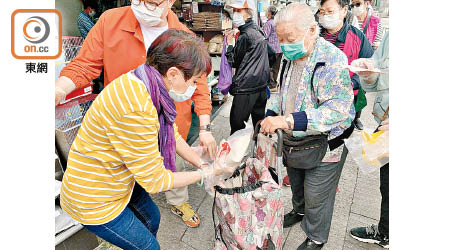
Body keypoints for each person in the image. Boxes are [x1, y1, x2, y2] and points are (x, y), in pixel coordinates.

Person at [59, 30, 237, 250]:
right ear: (172, 74)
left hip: (119, 178)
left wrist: (200, 162)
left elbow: (171, 132)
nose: (192, 88)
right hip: (94, 197)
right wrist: (206, 174)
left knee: (152, 218)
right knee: (149, 247)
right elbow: (156, 181)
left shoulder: (145, 81)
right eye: (192, 81)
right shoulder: (137, 107)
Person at [261, 3, 354, 249]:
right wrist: (271, 113)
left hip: (325, 142)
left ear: (312, 30)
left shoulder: (332, 59)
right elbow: (281, 90)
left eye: (289, 38)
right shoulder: (289, 58)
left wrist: (288, 120)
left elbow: (337, 110)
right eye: (280, 39)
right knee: (297, 183)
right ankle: (299, 212)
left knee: (317, 195)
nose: (284, 45)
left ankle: (316, 237)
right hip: (294, 141)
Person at [349, 31, 389, 248]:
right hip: (386, 124)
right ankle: (386, 229)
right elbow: (376, 81)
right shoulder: (392, 36)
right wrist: (368, 73)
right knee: (388, 184)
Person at [318, 0, 373, 131]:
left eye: (330, 12)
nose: (325, 16)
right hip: (317, 98)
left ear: (344, 11)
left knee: (341, 131)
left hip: (346, 98)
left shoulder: (358, 38)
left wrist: (351, 83)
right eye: (322, 12)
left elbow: (369, 70)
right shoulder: (314, 36)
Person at [225, 0, 270, 135]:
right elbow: (271, 54)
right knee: (259, 125)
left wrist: (229, 45)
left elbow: (234, 61)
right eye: (234, 11)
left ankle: (235, 155)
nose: (235, 14)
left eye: (239, 11)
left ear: (248, 13)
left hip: (245, 87)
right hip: (261, 86)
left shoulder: (245, 35)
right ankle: (259, 152)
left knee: (237, 127)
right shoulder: (258, 30)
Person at [263, 5, 283, 91]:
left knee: (269, 67)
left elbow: (264, 36)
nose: (266, 13)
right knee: (276, 67)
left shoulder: (269, 23)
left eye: (267, 11)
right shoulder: (278, 22)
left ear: (270, 13)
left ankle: (271, 85)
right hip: (280, 49)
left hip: (271, 49)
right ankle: (274, 84)